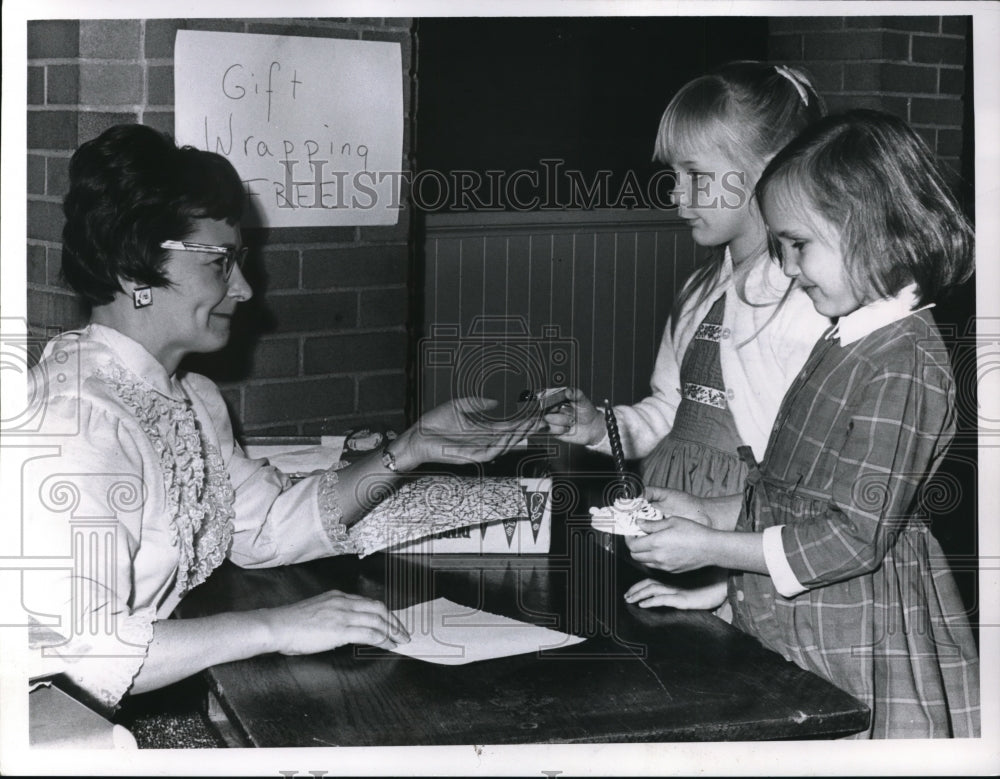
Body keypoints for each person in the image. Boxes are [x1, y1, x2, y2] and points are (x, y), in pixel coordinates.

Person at [22, 124, 532, 714]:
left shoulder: (192, 398)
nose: (244, 288)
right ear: (133, 271)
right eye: (220, 263)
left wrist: (409, 450)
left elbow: (262, 528)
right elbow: (81, 654)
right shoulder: (74, 423)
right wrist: (275, 626)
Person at [625, 109, 979, 738]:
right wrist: (716, 539)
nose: (786, 268)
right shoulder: (846, 335)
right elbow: (796, 494)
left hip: (855, 631)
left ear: (870, 231)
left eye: (798, 246)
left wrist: (710, 548)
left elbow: (850, 538)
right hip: (799, 616)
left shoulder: (903, 363)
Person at [544, 61, 831, 609]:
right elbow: (669, 412)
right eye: (673, 176)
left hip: (752, 558)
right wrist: (600, 429)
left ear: (767, 173)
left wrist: (730, 582)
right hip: (680, 529)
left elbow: (808, 484)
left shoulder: (803, 303)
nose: (677, 197)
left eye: (696, 176)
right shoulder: (700, 291)